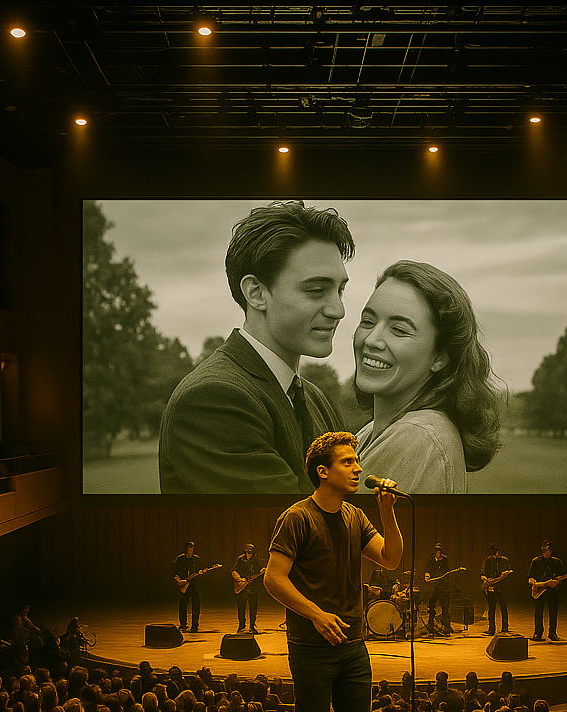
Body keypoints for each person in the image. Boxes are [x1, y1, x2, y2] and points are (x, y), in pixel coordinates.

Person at [264, 431, 402, 712]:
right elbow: (273, 578)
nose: (358, 468)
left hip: (353, 645)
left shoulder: (355, 516)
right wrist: (315, 614)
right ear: (323, 472)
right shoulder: (297, 517)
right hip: (311, 646)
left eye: (357, 461)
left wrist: (386, 513)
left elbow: (392, 558)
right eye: (348, 462)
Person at [159, 200, 352, 493]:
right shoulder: (213, 400)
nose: (338, 310)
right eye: (316, 290)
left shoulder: (316, 400)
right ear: (256, 292)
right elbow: (300, 526)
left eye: (340, 290)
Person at [351, 260, 501, 493]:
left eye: (399, 330)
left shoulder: (417, 437)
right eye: (368, 322)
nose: (371, 340)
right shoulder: (371, 432)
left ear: (440, 356)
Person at [528, 540, 564, 641]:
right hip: (540, 589)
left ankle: (552, 632)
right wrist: (534, 583)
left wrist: (555, 582)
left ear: (551, 551)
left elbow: (560, 577)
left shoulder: (557, 562)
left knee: (553, 611)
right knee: (538, 611)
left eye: (547, 550)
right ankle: (537, 632)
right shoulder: (536, 561)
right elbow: (530, 576)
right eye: (543, 550)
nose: (545, 552)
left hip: (552, 590)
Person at [173, 541, 205, 633]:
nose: (191, 550)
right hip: (184, 585)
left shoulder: (196, 559)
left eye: (192, 548)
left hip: (193, 585)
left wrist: (200, 573)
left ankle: (195, 625)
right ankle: (183, 624)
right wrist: (178, 579)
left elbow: (200, 570)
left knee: (196, 604)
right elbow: (175, 571)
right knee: (183, 605)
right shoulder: (180, 559)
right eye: (190, 548)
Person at [480, 543, 511, 635]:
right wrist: (484, 578)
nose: (494, 556)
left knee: (503, 607)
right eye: (492, 554)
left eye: (495, 554)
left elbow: (508, 572)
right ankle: (491, 628)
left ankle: (505, 627)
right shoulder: (487, 561)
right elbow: (482, 572)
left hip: (501, 588)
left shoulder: (504, 561)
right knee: (491, 608)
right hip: (491, 587)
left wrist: (502, 577)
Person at [423, 542, 453, 635]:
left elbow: (446, 572)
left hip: (442, 587)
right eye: (436, 550)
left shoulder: (445, 560)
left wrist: (442, 580)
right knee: (431, 607)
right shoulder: (431, 559)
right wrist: (427, 576)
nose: (438, 553)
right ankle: (430, 625)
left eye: (439, 551)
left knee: (445, 607)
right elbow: (427, 569)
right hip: (433, 588)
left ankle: (446, 626)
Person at [232, 543, 263, 633]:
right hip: (242, 587)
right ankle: (241, 626)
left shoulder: (256, 560)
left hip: (253, 587)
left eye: (250, 553)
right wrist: (240, 579)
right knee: (241, 607)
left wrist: (261, 571)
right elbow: (234, 571)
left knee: (253, 608)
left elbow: (259, 570)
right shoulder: (240, 559)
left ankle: (252, 626)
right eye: (247, 552)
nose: (248, 555)